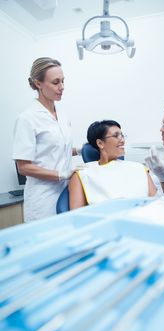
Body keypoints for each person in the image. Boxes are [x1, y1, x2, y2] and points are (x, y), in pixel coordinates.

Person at [12, 57, 80, 222]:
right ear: (38, 83)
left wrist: (79, 150)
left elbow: (51, 149)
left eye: (63, 81)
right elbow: (23, 167)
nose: (62, 87)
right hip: (42, 199)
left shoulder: (62, 114)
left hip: (65, 192)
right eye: (56, 82)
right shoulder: (27, 118)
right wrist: (61, 174)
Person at [69, 120, 163, 209]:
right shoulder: (82, 173)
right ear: (100, 143)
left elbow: (156, 204)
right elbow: (76, 216)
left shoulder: (139, 168)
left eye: (122, 135)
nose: (122, 140)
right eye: (116, 136)